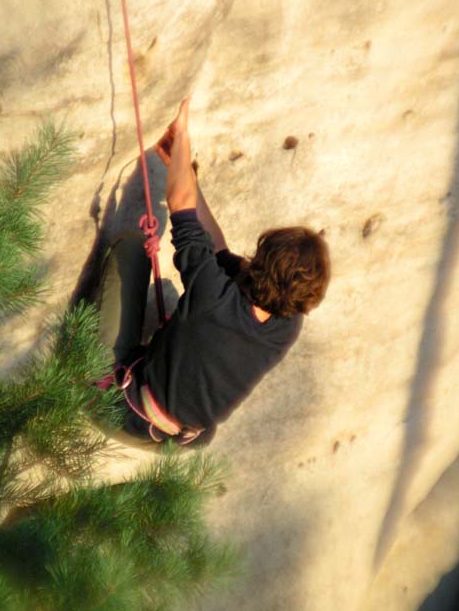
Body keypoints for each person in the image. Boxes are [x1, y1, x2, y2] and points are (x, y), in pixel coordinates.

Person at [96, 98, 330, 446]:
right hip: (181, 441)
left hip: (123, 414)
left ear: (260, 264)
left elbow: (180, 208)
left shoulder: (213, 295)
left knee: (131, 248)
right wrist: (185, 171)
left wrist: (183, 137)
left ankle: (94, 381)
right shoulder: (287, 326)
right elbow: (217, 249)